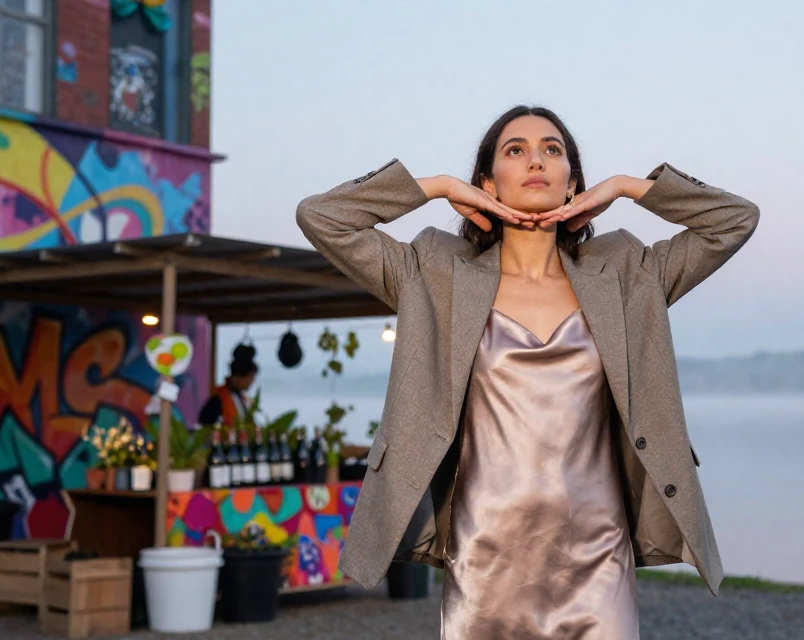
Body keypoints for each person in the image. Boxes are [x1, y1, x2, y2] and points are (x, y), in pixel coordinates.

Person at [296, 106, 759, 639]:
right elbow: (321, 216)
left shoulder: (631, 274)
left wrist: (631, 187)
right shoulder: (433, 273)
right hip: (484, 557)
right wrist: (436, 186)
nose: (536, 159)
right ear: (487, 183)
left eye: (552, 150)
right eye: (515, 150)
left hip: (597, 557)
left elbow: (735, 219)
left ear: (572, 184)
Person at [198, 356, 257, 427]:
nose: (250, 382)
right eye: (249, 378)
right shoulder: (218, 399)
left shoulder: (243, 399)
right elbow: (205, 425)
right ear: (237, 377)